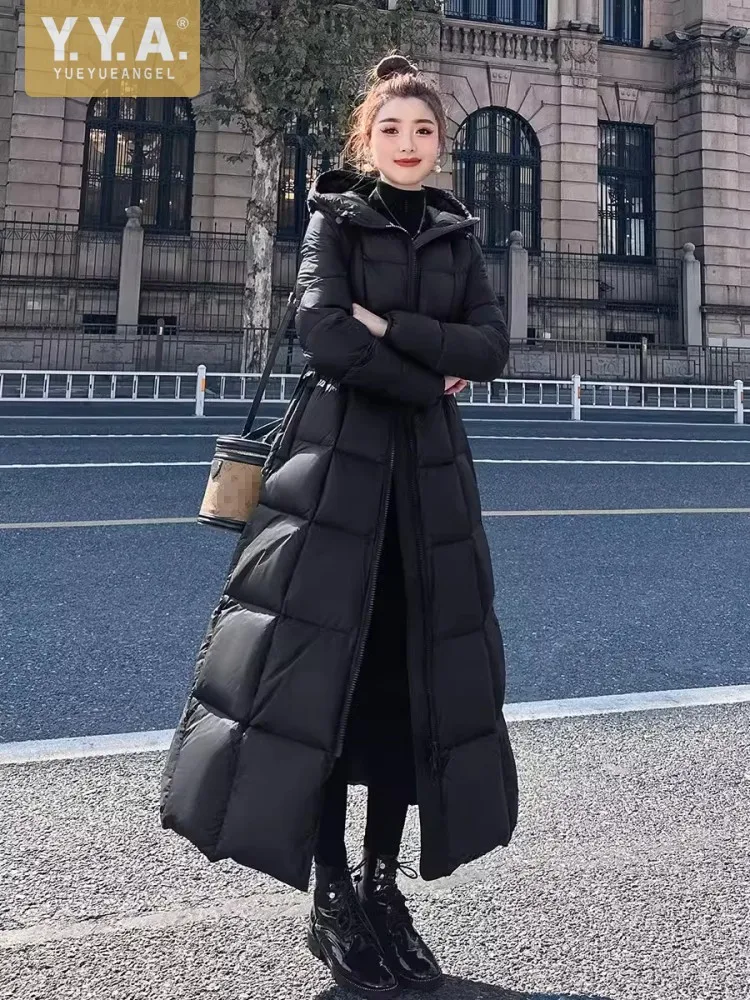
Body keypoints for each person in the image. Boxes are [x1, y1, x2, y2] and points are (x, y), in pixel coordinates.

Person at [159, 54, 519, 1000]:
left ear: (442, 146)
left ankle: (380, 883)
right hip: (334, 481)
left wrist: (394, 329)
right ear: (368, 139)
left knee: (411, 688)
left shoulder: (457, 232)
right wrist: (423, 372)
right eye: (391, 129)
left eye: (425, 131)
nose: (408, 144)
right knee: (321, 683)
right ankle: (328, 889)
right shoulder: (333, 219)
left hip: (426, 492)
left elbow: (491, 349)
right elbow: (325, 338)